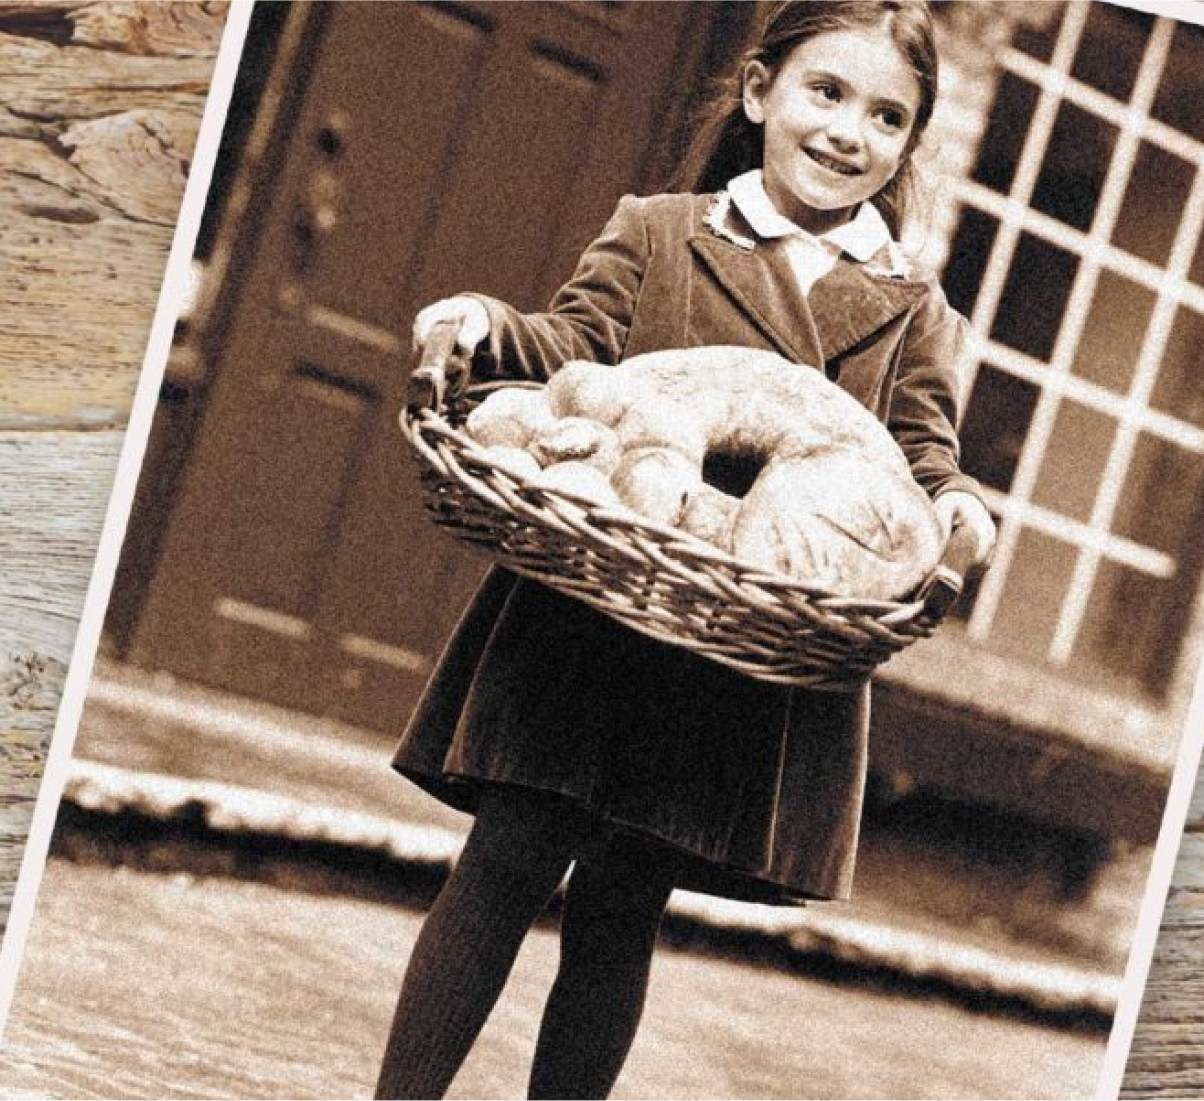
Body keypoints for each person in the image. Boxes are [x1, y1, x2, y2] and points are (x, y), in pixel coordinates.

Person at [370, 0, 1000, 1098]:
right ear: (761, 93)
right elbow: (573, 349)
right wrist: (482, 323)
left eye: (888, 116)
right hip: (594, 608)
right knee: (505, 862)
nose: (851, 131)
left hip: (736, 649)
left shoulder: (913, 314)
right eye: (828, 92)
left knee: (621, 906)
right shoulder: (661, 232)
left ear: (909, 144)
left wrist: (956, 507)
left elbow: (917, 459)